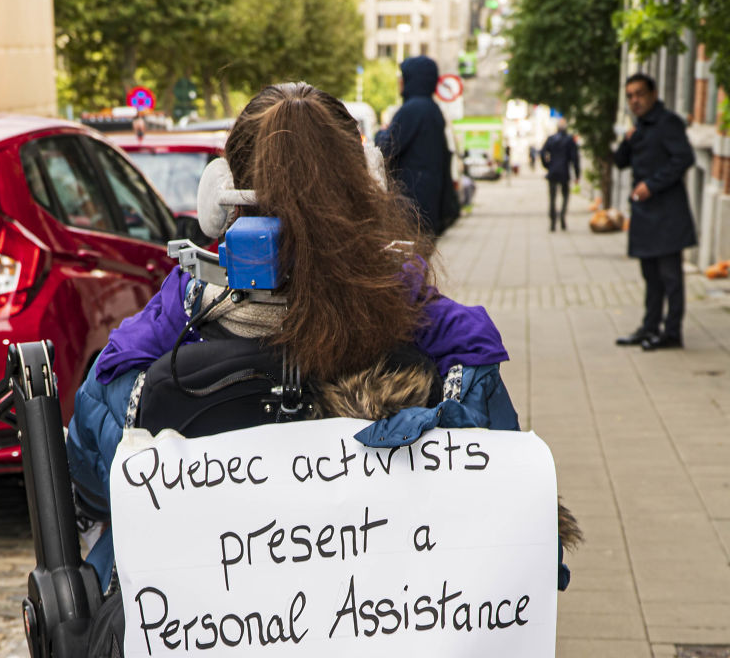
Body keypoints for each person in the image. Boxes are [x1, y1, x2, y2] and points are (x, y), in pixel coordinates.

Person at [66, 82, 577, 589]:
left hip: (202, 622)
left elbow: (97, 470)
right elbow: (512, 514)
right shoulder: (438, 330)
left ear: (220, 193)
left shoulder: (168, 323)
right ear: (369, 180)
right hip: (389, 620)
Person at [613, 72, 697, 351]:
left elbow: (684, 158)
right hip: (645, 213)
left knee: (671, 276)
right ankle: (649, 327)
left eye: (639, 94)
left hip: (668, 213)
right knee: (650, 274)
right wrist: (628, 139)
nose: (634, 100)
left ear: (653, 95)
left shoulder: (668, 122)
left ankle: (672, 332)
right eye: (630, 96)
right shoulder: (639, 127)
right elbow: (620, 161)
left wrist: (652, 184)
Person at [375, 56, 456, 238]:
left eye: (403, 76)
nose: (400, 81)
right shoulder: (432, 109)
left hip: (412, 200)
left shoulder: (412, 110)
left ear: (413, 79)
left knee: (410, 259)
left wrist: (380, 133)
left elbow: (386, 147)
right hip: (429, 198)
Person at [540, 119, 580, 231]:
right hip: (564, 171)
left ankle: (553, 222)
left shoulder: (551, 139)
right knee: (565, 196)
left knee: (552, 198)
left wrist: (547, 165)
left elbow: (542, 153)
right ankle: (562, 216)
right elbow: (575, 159)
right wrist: (577, 174)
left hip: (552, 171)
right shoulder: (569, 140)